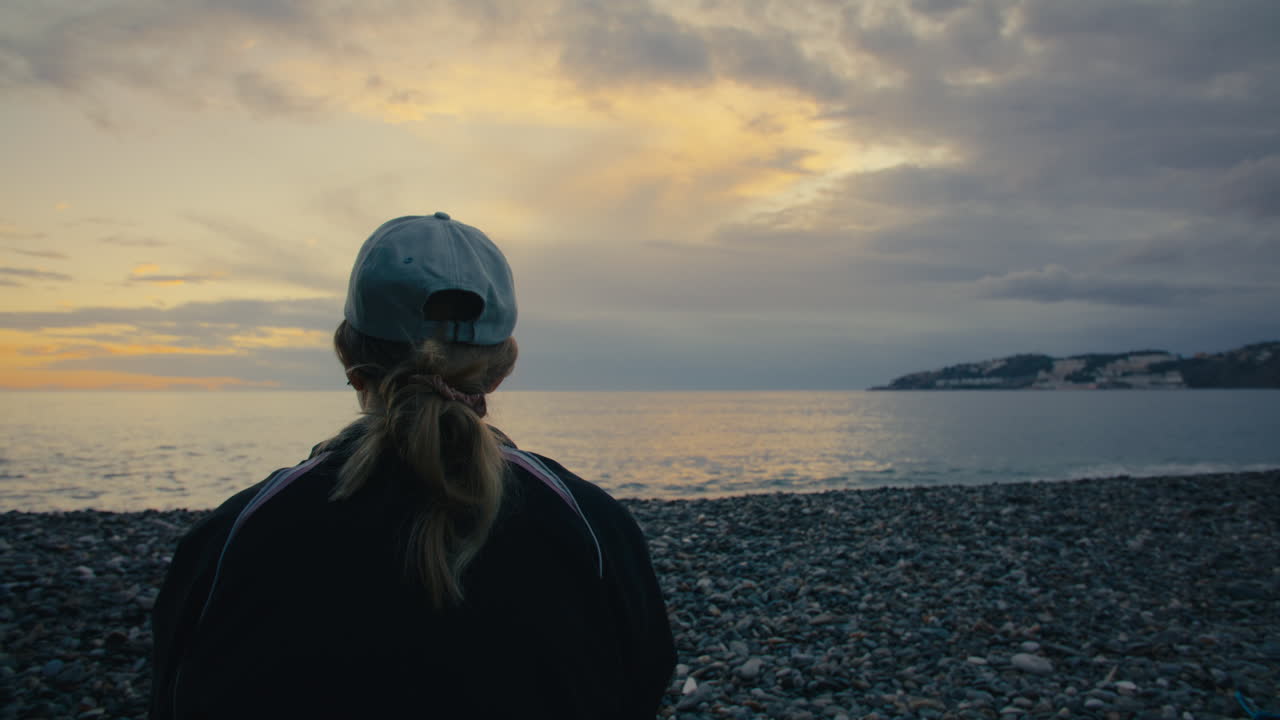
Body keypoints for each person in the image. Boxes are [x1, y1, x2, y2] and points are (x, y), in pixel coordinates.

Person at [150, 212, 676, 719]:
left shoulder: (237, 535)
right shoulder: (592, 528)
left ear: (349, 358)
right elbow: (640, 687)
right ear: (500, 369)